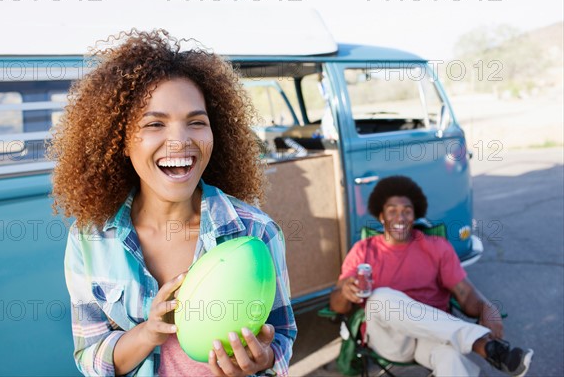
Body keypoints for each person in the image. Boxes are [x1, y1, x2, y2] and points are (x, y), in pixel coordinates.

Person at [49, 29, 296, 377]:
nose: (179, 141)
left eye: (196, 122)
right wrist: (148, 332)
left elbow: (282, 337)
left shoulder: (257, 231)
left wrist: (263, 360)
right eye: (155, 123)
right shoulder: (89, 240)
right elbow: (90, 358)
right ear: (119, 139)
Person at [330, 176, 533, 377]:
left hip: (433, 334)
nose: (400, 218)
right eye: (392, 211)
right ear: (381, 216)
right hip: (391, 339)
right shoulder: (363, 250)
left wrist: (487, 308)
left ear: (414, 215)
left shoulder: (436, 247)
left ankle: (485, 347)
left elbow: (465, 293)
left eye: (407, 211)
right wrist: (346, 293)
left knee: (450, 357)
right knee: (379, 297)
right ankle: (482, 343)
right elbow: (336, 305)